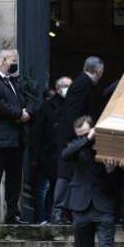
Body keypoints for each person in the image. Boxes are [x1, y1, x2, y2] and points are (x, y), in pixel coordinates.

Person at [0, 49, 34, 224]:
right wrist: (19, 114)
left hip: (16, 139)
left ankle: (13, 214)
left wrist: (28, 112)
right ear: (2, 60)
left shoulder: (13, 82)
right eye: (13, 60)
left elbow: (27, 99)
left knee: (14, 179)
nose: (15, 63)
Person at [53, 56, 104, 223]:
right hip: (72, 137)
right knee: (65, 174)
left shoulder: (82, 83)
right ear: (98, 70)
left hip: (75, 136)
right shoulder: (83, 84)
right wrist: (78, 139)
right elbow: (74, 114)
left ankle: (63, 212)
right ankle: (58, 212)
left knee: (70, 174)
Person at [62, 116, 117, 247]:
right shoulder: (76, 146)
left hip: (104, 204)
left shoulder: (107, 146)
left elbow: (120, 179)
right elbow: (65, 155)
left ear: (93, 129)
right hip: (80, 206)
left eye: (86, 134)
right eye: (80, 136)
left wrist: (111, 171)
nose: (83, 138)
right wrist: (87, 139)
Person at [31, 76, 72, 224]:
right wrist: (35, 156)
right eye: (65, 86)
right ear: (57, 88)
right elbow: (37, 133)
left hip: (64, 155)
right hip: (47, 155)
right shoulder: (47, 107)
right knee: (44, 188)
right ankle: (42, 218)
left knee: (59, 188)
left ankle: (57, 216)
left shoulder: (72, 105)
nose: (68, 89)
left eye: (70, 85)